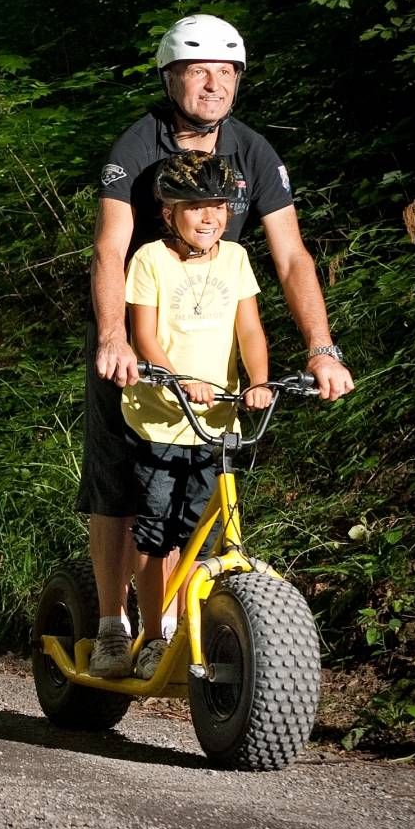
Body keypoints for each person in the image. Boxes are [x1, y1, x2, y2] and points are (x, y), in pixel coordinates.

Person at [80, 14, 353, 678]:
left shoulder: (254, 152)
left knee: (193, 494)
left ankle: (187, 623)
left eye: (226, 72)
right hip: (137, 337)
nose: (213, 84)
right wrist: (115, 337)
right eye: (199, 71)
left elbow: (289, 256)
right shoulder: (138, 144)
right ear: (171, 77)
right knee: (120, 488)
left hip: (209, 351)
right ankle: (114, 625)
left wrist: (321, 347)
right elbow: (111, 247)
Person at [120, 152, 274, 678]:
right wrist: (176, 378)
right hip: (160, 417)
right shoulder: (149, 260)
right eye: (194, 207)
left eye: (218, 206)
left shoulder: (234, 258)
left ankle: (193, 629)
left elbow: (249, 329)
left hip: (216, 423)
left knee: (200, 534)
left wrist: (257, 381)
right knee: (156, 532)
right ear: (169, 214)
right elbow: (143, 334)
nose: (209, 217)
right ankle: (154, 631)